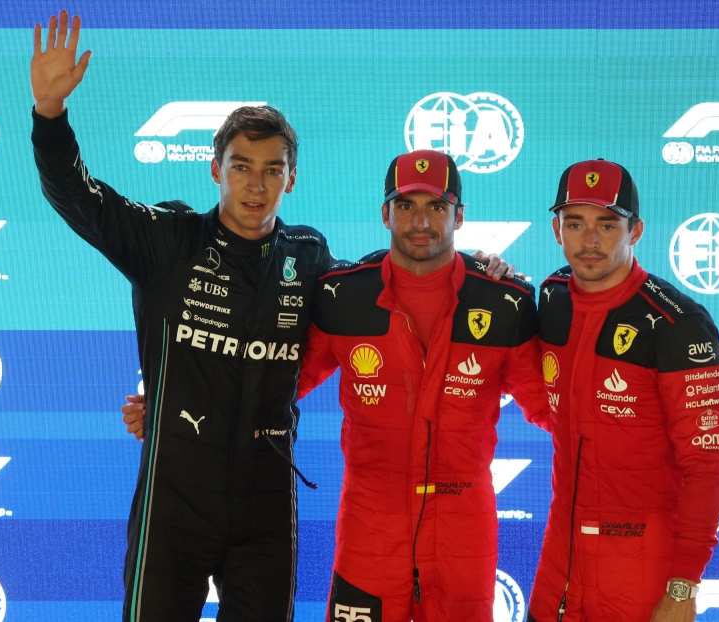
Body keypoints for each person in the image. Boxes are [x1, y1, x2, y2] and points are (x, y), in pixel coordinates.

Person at [31, 11, 334, 621]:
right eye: (242, 166)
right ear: (215, 168)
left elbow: (380, 289)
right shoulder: (168, 240)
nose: (257, 184)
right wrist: (49, 114)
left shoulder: (309, 256)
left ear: (291, 180)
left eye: (273, 169)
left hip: (265, 506)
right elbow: (80, 198)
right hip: (174, 502)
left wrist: (483, 264)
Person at [295, 149, 549, 622]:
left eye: (436, 206)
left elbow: (558, 409)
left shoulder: (503, 303)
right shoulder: (343, 296)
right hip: (370, 527)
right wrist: (174, 402)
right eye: (406, 205)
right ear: (385, 212)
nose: (421, 221)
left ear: (460, 215)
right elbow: (272, 383)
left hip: (462, 531)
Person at [525, 159, 719, 622]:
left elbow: (707, 467)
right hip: (560, 561)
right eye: (575, 223)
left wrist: (682, 587)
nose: (590, 240)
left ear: (635, 231)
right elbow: (550, 402)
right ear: (556, 229)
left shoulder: (679, 324)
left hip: (641, 570)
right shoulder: (552, 298)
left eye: (608, 224)